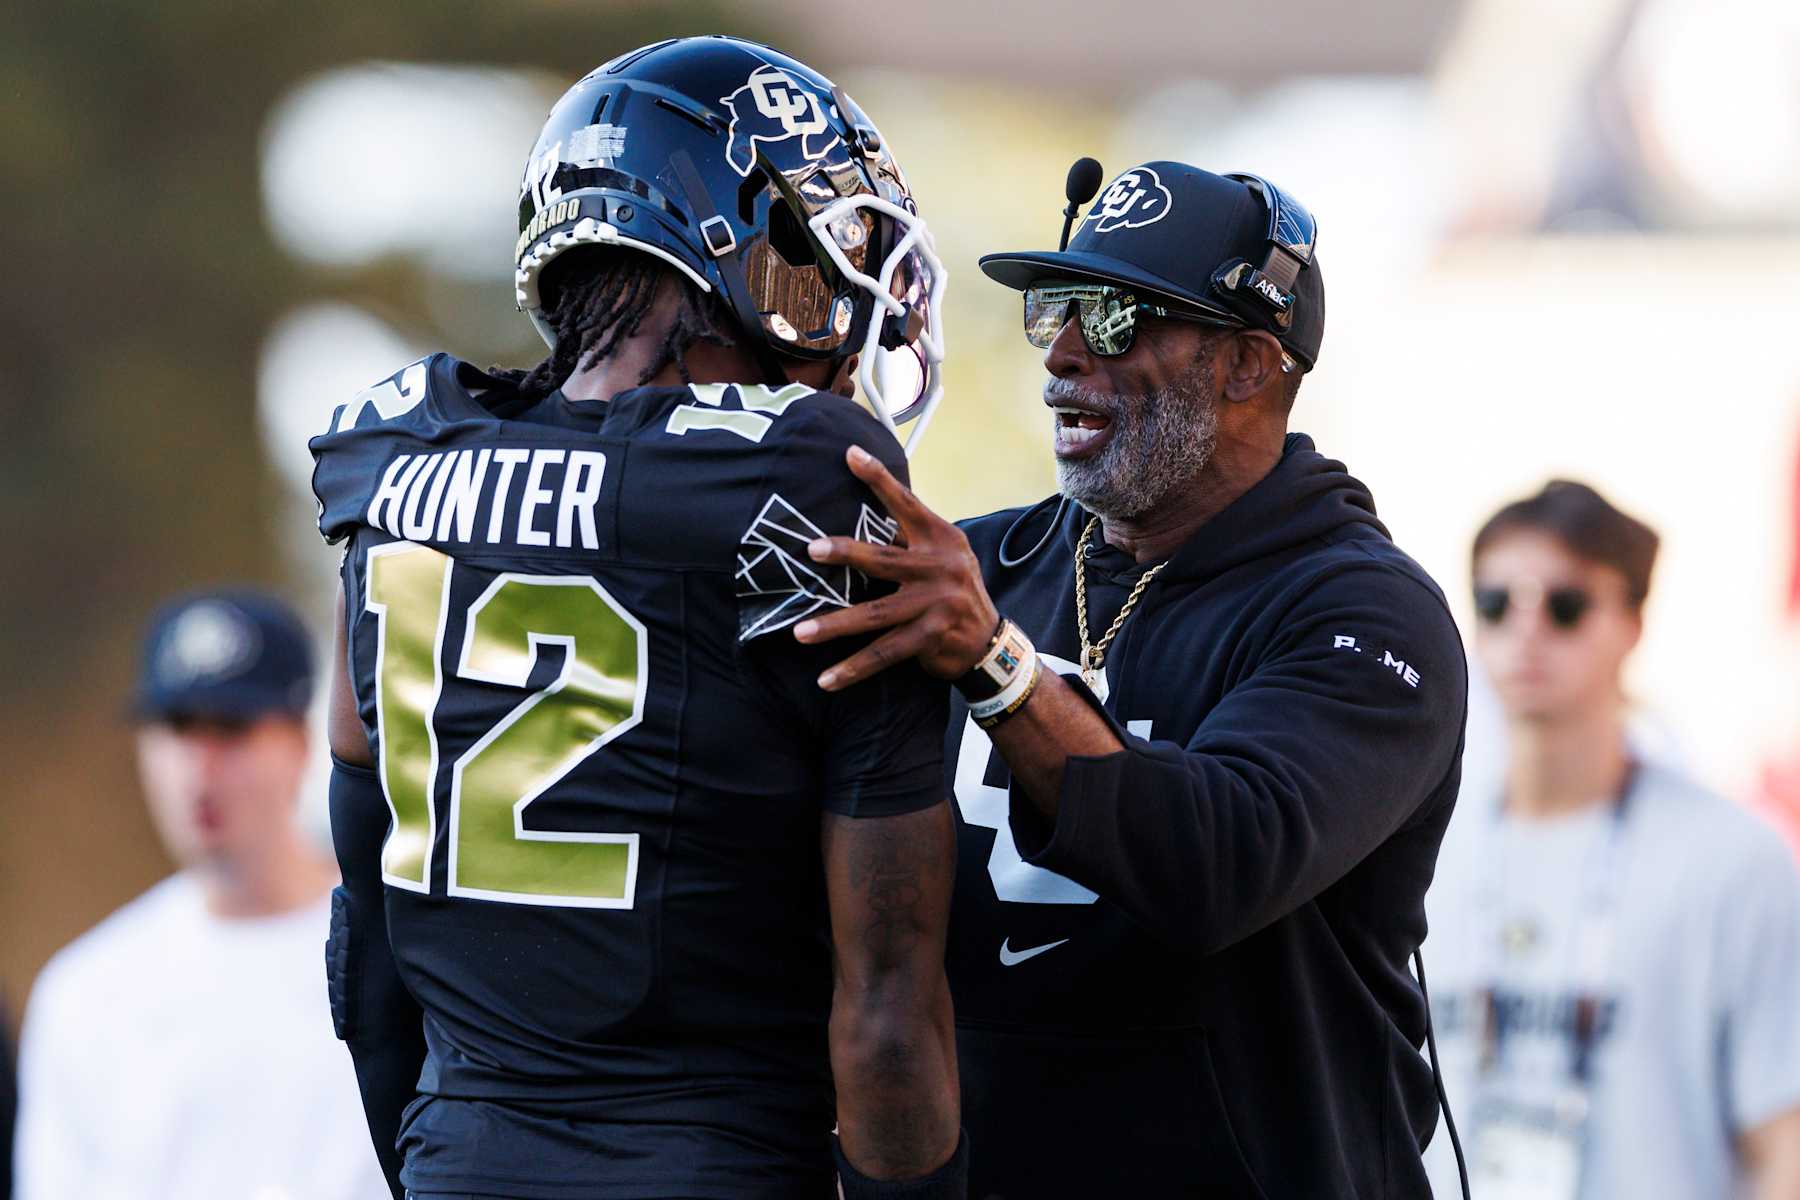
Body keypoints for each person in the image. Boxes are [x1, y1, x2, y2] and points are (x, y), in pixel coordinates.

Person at [309, 37, 964, 1200]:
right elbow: (888, 1012)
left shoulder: (385, 454)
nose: (846, 295)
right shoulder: (811, 478)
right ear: (724, 243)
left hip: (460, 1155)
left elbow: (369, 937)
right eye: (819, 251)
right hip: (717, 1159)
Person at [798, 161, 1470, 1195]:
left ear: (1249, 363)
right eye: (1055, 309)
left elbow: (1220, 862)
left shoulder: (1368, 612)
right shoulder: (978, 568)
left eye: (1114, 319)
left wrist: (994, 664)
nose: (1064, 354)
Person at [1419, 481, 1800, 1199]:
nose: (1526, 631)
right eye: (1496, 604)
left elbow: (1782, 1137)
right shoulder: (1421, 844)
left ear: (1633, 621)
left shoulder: (1735, 859)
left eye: (1566, 606)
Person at [13, 591, 384, 1198]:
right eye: (177, 727)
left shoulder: (392, 957)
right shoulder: (85, 992)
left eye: (231, 729)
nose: (199, 766)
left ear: (298, 741)